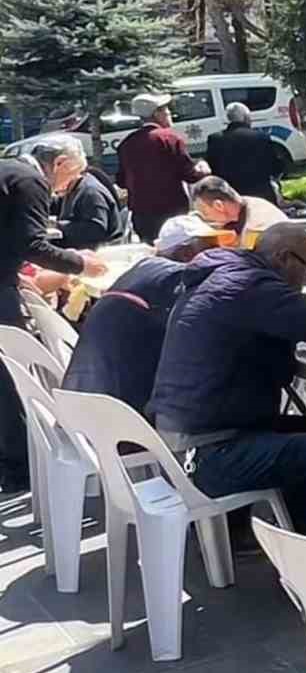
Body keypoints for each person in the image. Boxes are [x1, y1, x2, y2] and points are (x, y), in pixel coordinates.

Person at [147, 224, 306, 531]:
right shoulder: (250, 286)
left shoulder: (221, 277)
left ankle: (289, 531)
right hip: (202, 455)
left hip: (184, 437)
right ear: (284, 258)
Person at [0, 146, 108, 490]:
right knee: (9, 376)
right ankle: (19, 468)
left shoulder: (7, 170)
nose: (69, 185)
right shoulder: (30, 180)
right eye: (72, 174)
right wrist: (80, 264)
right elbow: (32, 244)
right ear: (59, 163)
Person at [61, 225, 212, 416]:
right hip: (125, 420)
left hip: (82, 407)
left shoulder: (141, 271)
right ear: (187, 253)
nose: (220, 250)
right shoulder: (177, 282)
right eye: (212, 245)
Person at [117, 93, 210, 243]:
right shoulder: (170, 138)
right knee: (178, 251)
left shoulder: (127, 143)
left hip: (141, 213)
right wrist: (202, 170)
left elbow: (121, 181)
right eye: (165, 109)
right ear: (156, 114)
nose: (169, 113)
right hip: (171, 210)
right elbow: (189, 174)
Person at [44, 139, 123, 249]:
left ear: (63, 165)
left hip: (99, 253)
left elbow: (96, 229)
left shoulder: (90, 192)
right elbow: (56, 206)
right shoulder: (72, 188)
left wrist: (57, 225)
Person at [205, 102, 281, 203]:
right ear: (246, 118)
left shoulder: (215, 139)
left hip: (230, 196)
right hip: (261, 195)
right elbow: (274, 166)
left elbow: (212, 168)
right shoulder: (260, 137)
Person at [191, 176, 289, 247]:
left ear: (219, 206)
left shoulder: (255, 229)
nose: (206, 218)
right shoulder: (251, 202)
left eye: (205, 212)